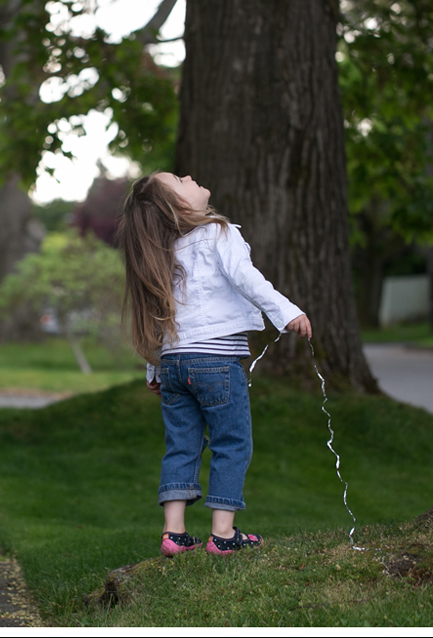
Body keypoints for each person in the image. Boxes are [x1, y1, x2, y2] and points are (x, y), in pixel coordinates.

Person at [118, 172, 312, 557]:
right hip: (215, 361)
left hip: (174, 365)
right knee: (231, 441)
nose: (189, 175)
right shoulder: (217, 232)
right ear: (179, 206)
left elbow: (160, 314)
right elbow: (245, 277)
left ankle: (174, 534)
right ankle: (223, 536)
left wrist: (154, 369)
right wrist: (286, 312)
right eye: (178, 179)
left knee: (181, 446)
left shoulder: (162, 252)